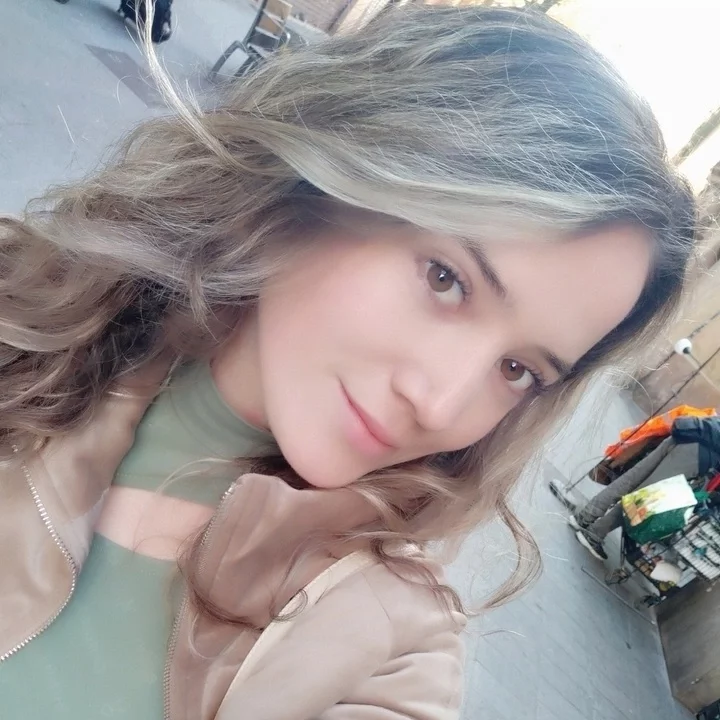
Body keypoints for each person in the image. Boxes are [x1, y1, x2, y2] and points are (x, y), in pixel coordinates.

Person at [0, 6, 696, 719]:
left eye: (518, 371)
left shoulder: (391, 644)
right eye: (446, 279)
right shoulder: (27, 313)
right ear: (327, 179)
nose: (441, 403)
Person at [573, 416, 720, 559]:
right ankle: (594, 534)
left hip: (688, 433)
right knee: (644, 499)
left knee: (632, 478)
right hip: (698, 454)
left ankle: (584, 517)